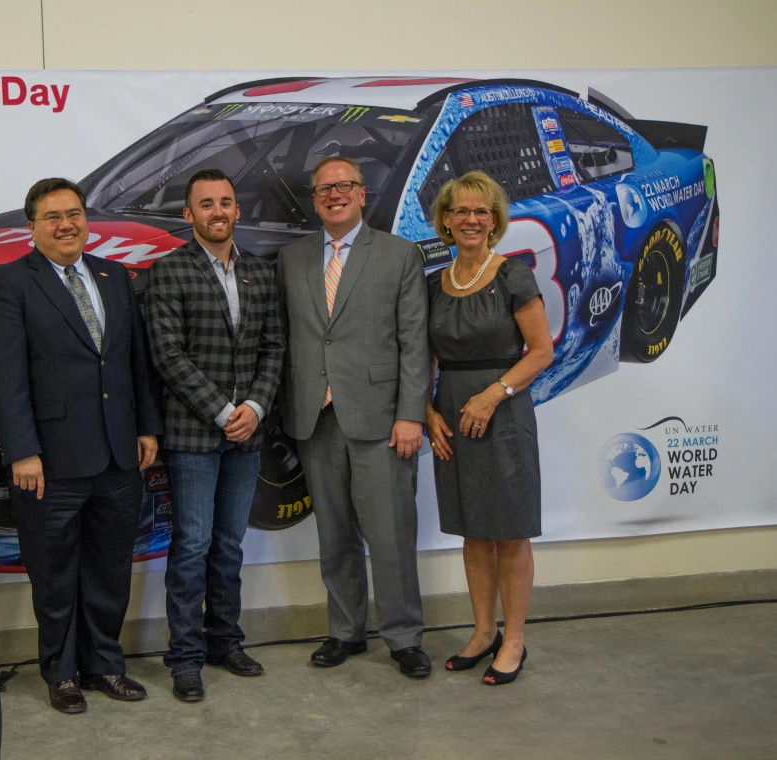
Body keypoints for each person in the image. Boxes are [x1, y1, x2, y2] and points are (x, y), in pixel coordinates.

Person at [0, 178, 163, 714]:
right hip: (49, 461)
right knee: (55, 576)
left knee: (109, 569)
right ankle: (61, 673)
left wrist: (146, 427)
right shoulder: (8, 284)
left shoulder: (114, 275)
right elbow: (3, 378)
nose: (66, 224)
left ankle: (105, 664)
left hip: (118, 455)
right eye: (53, 216)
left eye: (75, 213)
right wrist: (21, 451)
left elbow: (134, 361)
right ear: (31, 226)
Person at [276, 156, 432, 677]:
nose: (335, 194)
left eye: (345, 186)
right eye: (324, 189)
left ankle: (404, 636)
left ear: (363, 194)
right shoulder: (291, 258)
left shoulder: (398, 254)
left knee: (390, 535)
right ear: (314, 198)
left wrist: (411, 415)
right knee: (334, 536)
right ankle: (345, 631)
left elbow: (415, 344)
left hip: (382, 421)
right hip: (314, 419)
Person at [144, 169, 285, 702]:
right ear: (189, 215)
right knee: (192, 546)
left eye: (225, 201)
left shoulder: (260, 273)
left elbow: (274, 348)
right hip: (194, 436)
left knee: (229, 545)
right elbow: (168, 356)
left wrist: (253, 406)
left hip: (247, 434)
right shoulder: (168, 271)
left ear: (237, 211)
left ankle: (225, 641)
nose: (217, 211)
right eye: (206, 204)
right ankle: (185, 657)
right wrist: (224, 410)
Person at [424, 170, 553, 685]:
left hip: (502, 412)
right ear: (447, 221)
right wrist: (428, 411)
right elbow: (426, 358)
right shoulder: (435, 282)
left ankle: (515, 639)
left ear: (495, 220)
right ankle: (482, 632)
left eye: (482, 211)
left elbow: (542, 351)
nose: (471, 219)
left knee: (511, 530)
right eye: (461, 211)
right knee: (473, 531)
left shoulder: (512, 275)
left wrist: (493, 394)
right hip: (451, 415)